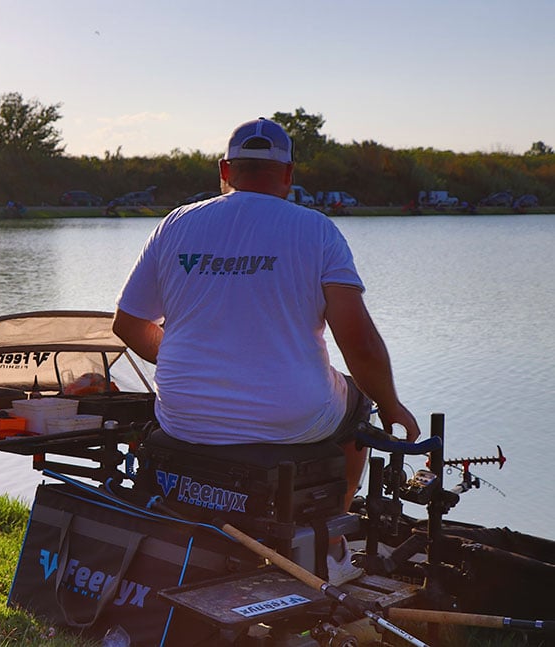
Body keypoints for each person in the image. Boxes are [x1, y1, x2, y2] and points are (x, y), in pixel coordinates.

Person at [113, 117, 420, 585]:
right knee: (358, 403)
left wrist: (187, 363)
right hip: (288, 421)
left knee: (340, 395)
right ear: (288, 174)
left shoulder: (176, 224)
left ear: (225, 169)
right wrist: (392, 405)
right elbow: (357, 340)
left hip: (182, 415)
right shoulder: (316, 231)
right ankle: (331, 542)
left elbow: (128, 325)